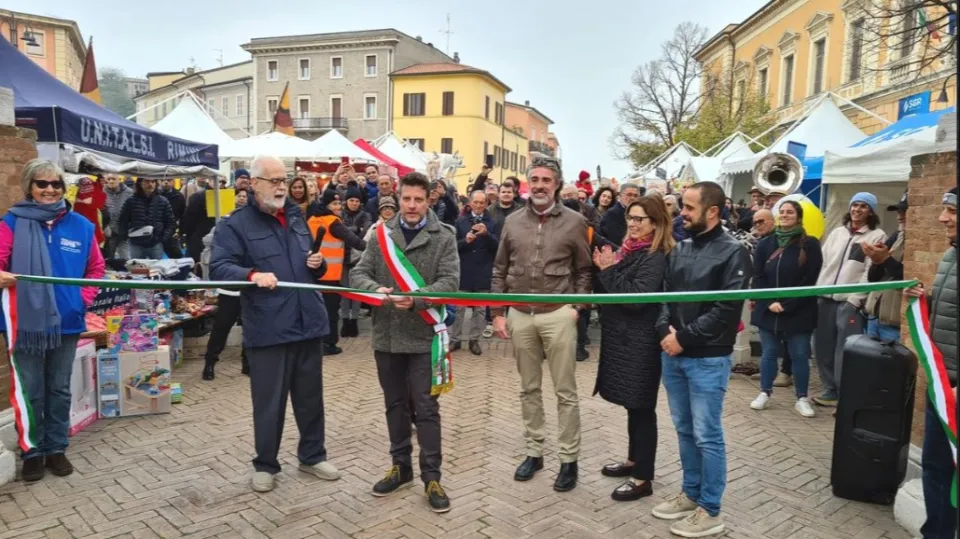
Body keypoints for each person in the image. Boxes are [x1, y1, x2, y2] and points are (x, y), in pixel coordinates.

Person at [210, 155, 339, 493]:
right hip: (269, 326)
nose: (282, 186)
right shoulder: (235, 224)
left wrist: (318, 264)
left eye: (284, 180)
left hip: (308, 321)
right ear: (254, 184)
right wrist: (251, 274)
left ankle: (312, 455)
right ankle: (265, 463)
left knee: (311, 398)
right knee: (269, 402)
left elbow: (309, 267)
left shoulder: (296, 217)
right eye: (274, 180)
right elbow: (219, 267)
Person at [350, 171, 460, 513]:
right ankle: (401, 466)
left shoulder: (444, 236)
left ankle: (432, 477)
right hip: (388, 335)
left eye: (419, 199)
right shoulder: (381, 234)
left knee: (426, 409)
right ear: (399, 198)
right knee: (395, 405)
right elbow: (358, 273)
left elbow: (450, 282)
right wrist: (374, 291)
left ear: (429, 201)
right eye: (407, 199)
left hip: (424, 337)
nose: (411, 206)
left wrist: (417, 299)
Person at [652, 181, 750, 537]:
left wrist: (684, 338)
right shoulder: (681, 248)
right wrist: (666, 331)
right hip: (674, 355)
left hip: (707, 358)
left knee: (707, 434)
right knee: (684, 429)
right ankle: (691, 494)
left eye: (689, 207)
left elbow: (726, 309)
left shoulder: (734, 252)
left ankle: (711, 509)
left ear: (712, 211)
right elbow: (663, 295)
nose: (682, 212)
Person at [0, 159, 105, 482]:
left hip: (66, 321)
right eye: (41, 183)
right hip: (24, 324)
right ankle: (32, 451)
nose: (49, 189)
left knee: (59, 388)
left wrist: (79, 300)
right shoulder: (10, 223)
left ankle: (56, 447)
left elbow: (96, 270)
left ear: (63, 187)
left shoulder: (81, 226)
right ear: (29, 187)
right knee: (29, 389)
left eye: (55, 184)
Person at [491, 155, 592, 492]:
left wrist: (576, 308)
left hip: (558, 314)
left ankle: (568, 459)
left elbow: (584, 269)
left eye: (545, 180)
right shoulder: (513, 221)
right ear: (527, 183)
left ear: (557, 185)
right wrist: (497, 311)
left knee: (565, 392)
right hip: (520, 315)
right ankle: (534, 452)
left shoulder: (576, 221)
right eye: (534, 180)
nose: (539, 186)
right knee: (528, 389)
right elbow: (500, 268)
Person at [592, 196, 673, 502]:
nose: (633, 224)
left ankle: (643, 477)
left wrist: (609, 271)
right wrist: (607, 269)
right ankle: (633, 460)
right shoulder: (629, 250)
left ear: (655, 222)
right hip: (625, 340)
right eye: (630, 217)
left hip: (641, 342)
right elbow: (612, 290)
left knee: (642, 407)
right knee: (632, 405)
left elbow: (637, 299)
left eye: (640, 219)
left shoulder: (655, 256)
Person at [905, 186, 956, 539]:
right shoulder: (952, 255)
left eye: (952, 211)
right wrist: (925, 298)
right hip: (943, 385)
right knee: (936, 466)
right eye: (944, 209)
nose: (942, 218)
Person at [748, 200, 823, 418]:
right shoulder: (765, 244)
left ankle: (801, 397)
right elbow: (759, 276)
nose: (785, 215)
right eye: (782, 212)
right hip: (768, 308)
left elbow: (810, 278)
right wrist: (769, 301)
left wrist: (788, 304)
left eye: (790, 212)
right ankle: (764, 392)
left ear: (799, 217)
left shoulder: (810, 244)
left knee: (799, 354)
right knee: (769, 354)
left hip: (799, 310)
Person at [813, 193, 886, 407]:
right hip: (824, 298)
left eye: (864, 206)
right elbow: (824, 263)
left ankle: (845, 392)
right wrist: (818, 289)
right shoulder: (837, 233)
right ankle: (829, 389)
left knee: (845, 349)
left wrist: (855, 299)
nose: (857, 209)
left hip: (849, 303)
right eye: (855, 204)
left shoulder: (877, 236)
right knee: (822, 346)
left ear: (871, 211)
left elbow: (869, 271)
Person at [307, 189, 367, 355]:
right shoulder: (333, 222)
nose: (338, 207)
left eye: (339, 203)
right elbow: (353, 240)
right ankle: (329, 343)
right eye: (334, 204)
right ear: (326, 205)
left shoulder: (312, 219)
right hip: (330, 274)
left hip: (312, 273)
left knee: (317, 310)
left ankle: (317, 342)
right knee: (331, 312)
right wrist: (372, 248)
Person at [200, 188, 250, 381]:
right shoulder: (225, 221)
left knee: (249, 327)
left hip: (248, 284)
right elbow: (213, 244)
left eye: (246, 196)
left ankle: (247, 363)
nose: (243, 199)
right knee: (222, 326)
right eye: (240, 196)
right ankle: (210, 362)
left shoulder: (255, 224)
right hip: (230, 286)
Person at [451, 190, 499, 355]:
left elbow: (497, 248)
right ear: (470, 203)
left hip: (483, 271)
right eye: (476, 202)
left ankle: (474, 340)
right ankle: (455, 339)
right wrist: (466, 241)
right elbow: (453, 247)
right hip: (464, 270)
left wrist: (486, 235)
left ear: (486, 204)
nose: (478, 206)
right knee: (459, 309)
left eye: (482, 203)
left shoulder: (492, 224)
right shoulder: (461, 222)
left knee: (479, 310)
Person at [863, 191, 908, 342]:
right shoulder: (896, 236)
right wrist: (875, 260)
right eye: (899, 211)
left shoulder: (921, 242)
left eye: (904, 211)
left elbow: (908, 276)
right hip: (874, 316)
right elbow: (873, 278)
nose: (899, 216)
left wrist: (885, 259)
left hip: (894, 322)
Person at [340, 186, 373, 337]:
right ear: (346, 201)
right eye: (351, 200)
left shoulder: (365, 215)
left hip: (359, 257)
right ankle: (345, 320)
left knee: (357, 290)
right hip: (343, 257)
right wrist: (355, 229)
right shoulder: (340, 214)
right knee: (345, 291)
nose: (354, 203)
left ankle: (354, 320)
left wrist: (348, 230)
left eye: (356, 201)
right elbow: (340, 229)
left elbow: (365, 231)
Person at [116, 178, 176, 260]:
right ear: (140, 183)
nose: (150, 184)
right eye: (147, 181)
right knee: (137, 271)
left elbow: (171, 222)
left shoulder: (163, 201)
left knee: (156, 270)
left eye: (153, 181)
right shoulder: (131, 200)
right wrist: (125, 237)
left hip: (156, 243)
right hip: (136, 243)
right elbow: (122, 220)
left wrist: (163, 239)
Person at [181, 178, 217, 271]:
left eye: (223, 182)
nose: (220, 184)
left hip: (205, 238)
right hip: (198, 238)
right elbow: (189, 219)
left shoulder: (227, 196)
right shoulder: (198, 196)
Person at [600, 183, 642, 248]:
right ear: (620, 196)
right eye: (629, 195)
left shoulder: (639, 213)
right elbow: (616, 240)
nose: (632, 198)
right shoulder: (612, 214)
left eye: (636, 196)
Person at [102, 173, 132, 259]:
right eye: (109, 179)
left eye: (113, 179)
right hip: (108, 231)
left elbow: (133, 210)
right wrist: (105, 227)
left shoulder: (129, 192)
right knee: (108, 258)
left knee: (125, 258)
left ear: (119, 179)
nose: (111, 181)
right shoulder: (101, 192)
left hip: (124, 230)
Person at [158, 178, 186, 258]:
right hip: (155, 232)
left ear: (173, 181)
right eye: (162, 180)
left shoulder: (179, 196)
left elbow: (183, 215)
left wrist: (180, 231)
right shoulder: (153, 195)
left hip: (172, 233)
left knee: (178, 259)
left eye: (169, 180)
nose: (165, 182)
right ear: (158, 181)